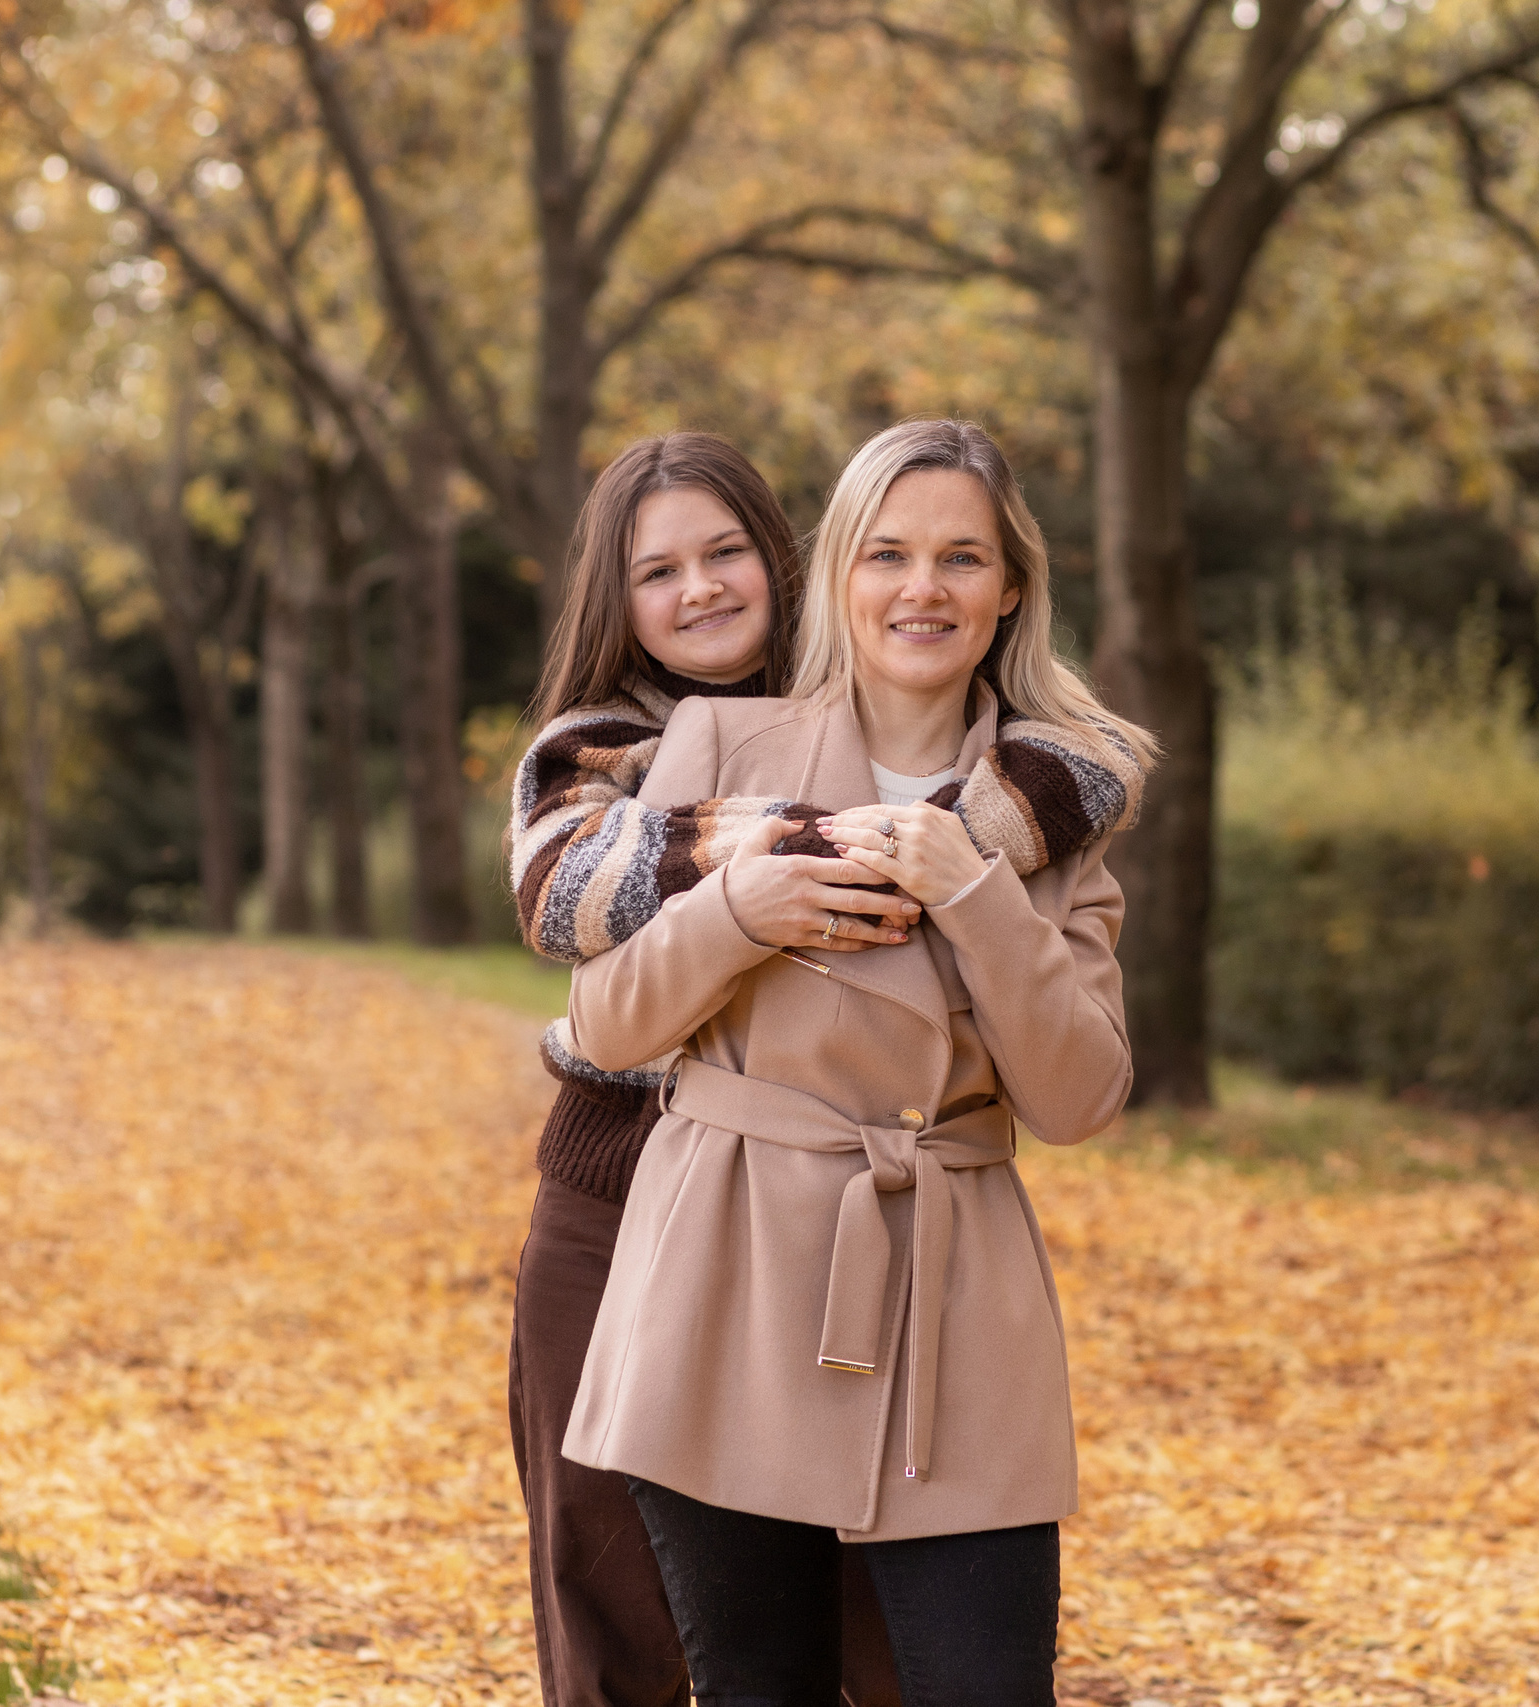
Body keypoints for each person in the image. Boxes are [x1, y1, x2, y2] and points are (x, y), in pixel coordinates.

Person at [504, 430, 1146, 1707]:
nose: (924, 588)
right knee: (724, 1673)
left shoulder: (1049, 804)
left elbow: (1080, 1097)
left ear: (1010, 585)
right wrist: (736, 909)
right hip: (722, 1266)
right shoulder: (709, 753)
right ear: (842, 572)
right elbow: (609, 1016)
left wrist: (971, 891)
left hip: (951, 1288)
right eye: (891, 554)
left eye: (962, 557)